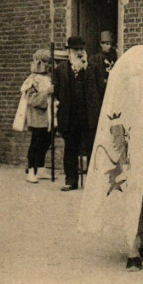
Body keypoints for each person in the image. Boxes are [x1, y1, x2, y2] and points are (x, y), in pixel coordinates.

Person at [54, 36, 101, 191]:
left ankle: (93, 181)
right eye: (76, 50)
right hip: (70, 115)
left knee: (91, 147)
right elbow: (57, 92)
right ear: (69, 52)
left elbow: (100, 90)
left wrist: (85, 69)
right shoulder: (61, 70)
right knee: (71, 148)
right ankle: (71, 180)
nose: (80, 52)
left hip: (89, 115)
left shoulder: (93, 68)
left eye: (82, 49)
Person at [20, 48, 53, 184]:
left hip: (47, 115)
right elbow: (32, 100)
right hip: (37, 115)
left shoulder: (48, 78)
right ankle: (31, 170)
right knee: (37, 142)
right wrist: (47, 92)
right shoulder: (32, 80)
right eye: (45, 62)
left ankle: (40, 167)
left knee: (47, 141)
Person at [90, 30, 117, 99]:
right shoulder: (95, 58)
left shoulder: (114, 58)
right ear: (101, 44)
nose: (109, 46)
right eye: (107, 44)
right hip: (101, 91)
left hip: (112, 89)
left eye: (111, 44)